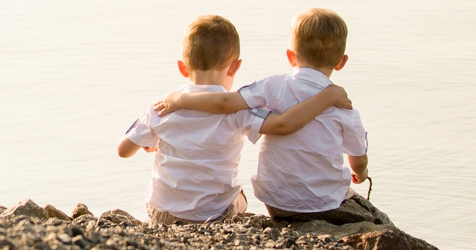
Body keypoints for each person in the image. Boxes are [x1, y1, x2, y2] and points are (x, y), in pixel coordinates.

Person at [118, 14, 351, 225]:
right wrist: (327, 96)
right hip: (214, 215)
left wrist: (151, 142)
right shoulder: (241, 111)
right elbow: (284, 125)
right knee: (240, 198)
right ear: (235, 67)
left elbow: (123, 150)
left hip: (161, 212)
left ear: (182, 68)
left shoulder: (161, 107)